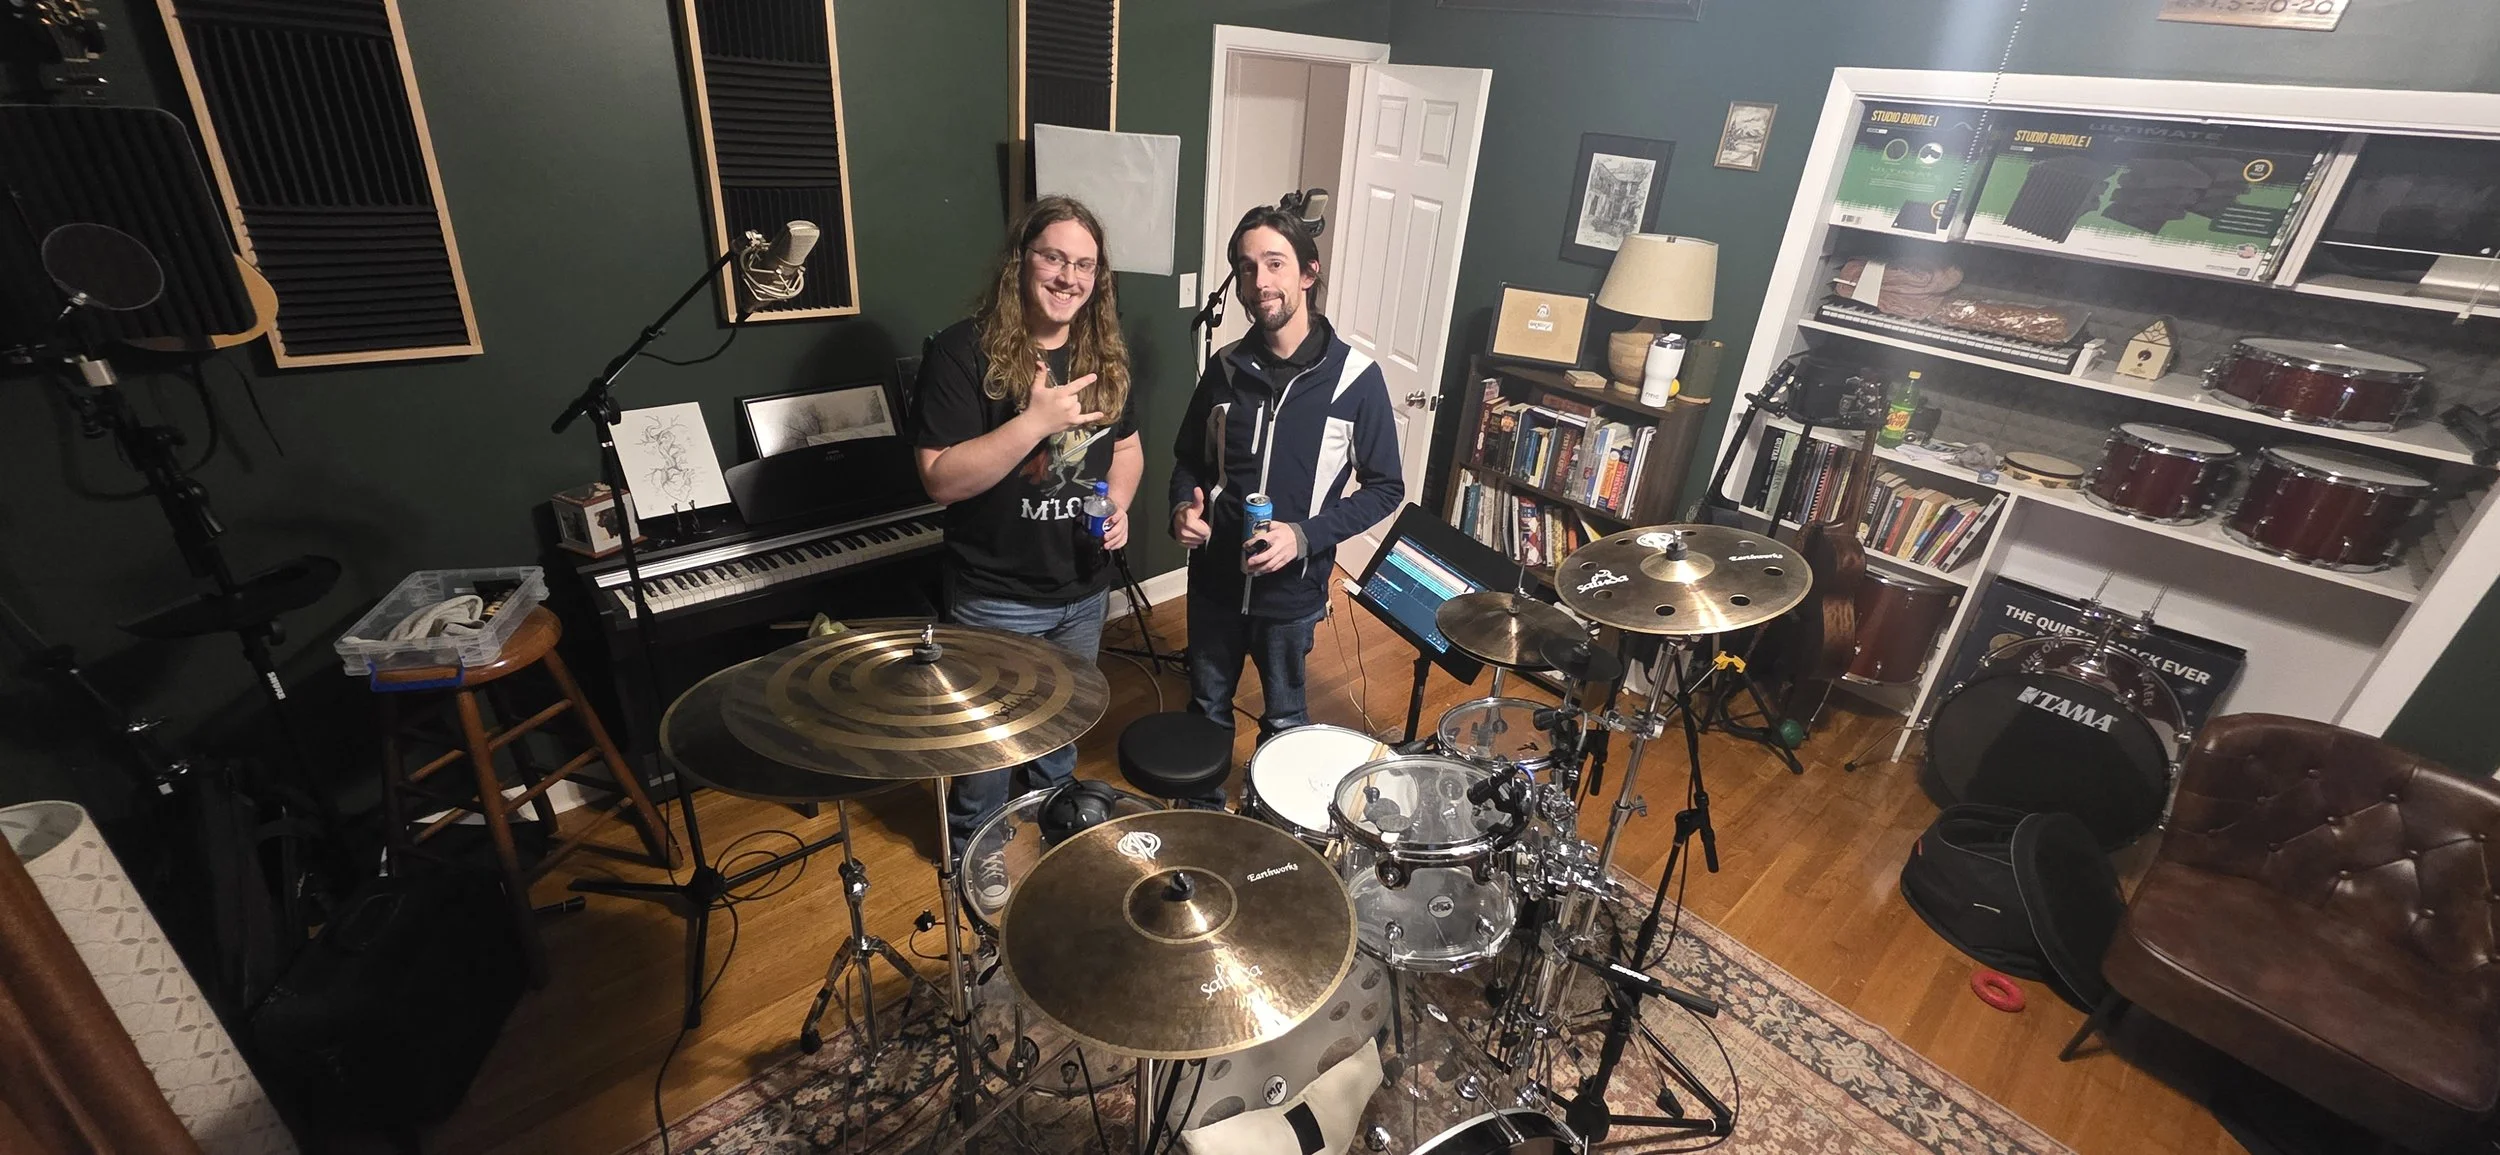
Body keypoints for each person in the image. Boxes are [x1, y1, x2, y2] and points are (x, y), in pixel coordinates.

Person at [908, 195, 1140, 869]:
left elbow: (1126, 450)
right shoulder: (962, 351)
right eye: (1054, 257)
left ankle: (1058, 845)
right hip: (993, 596)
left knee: (1058, 735)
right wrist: (1033, 423)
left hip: (1082, 592)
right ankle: (974, 854)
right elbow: (941, 479)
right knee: (984, 748)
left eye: (1085, 265)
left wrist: (1119, 503)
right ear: (1022, 262)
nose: (1069, 277)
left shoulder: (1104, 351)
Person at [1167, 204, 1403, 781]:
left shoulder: (1356, 380)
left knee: (1285, 723)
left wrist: (1304, 537)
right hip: (1214, 584)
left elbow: (1386, 487)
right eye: (1248, 268)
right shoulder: (1224, 368)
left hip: (1292, 596)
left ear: (1307, 272)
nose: (1260, 282)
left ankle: (1276, 842)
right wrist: (1181, 509)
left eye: (1275, 263)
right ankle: (1203, 819)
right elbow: (1189, 461)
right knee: (1206, 710)